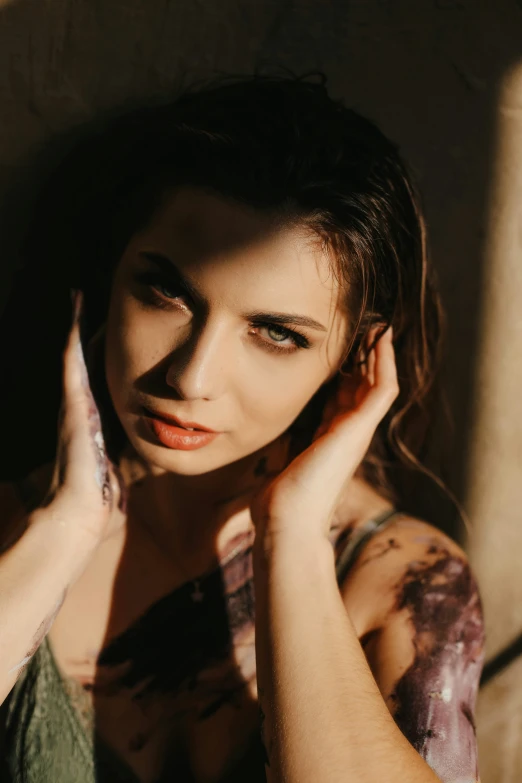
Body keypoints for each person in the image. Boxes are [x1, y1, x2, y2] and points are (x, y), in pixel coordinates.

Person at [0, 75, 484, 783]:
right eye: (166, 292)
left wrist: (290, 535)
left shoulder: (402, 582)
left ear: (355, 360)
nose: (193, 378)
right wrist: (63, 531)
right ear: (109, 276)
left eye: (276, 333)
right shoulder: (15, 532)